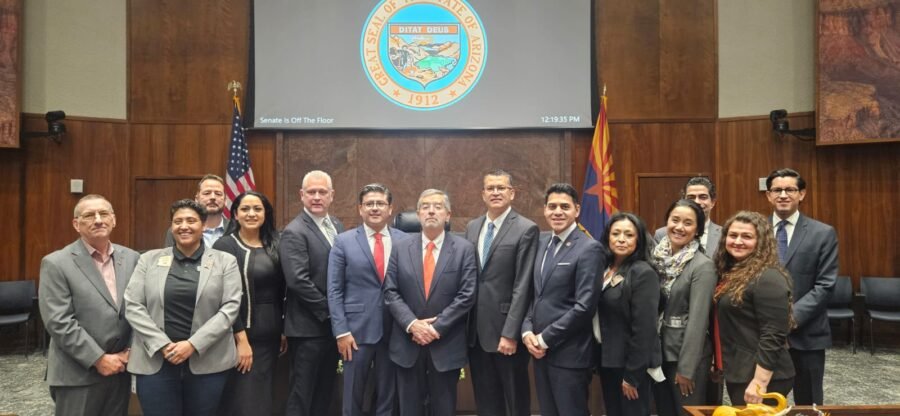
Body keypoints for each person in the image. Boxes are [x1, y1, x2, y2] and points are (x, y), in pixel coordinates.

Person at [124, 199, 242, 416]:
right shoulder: (148, 259)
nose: (184, 226)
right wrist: (162, 345)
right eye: (178, 221)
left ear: (203, 225)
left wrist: (192, 345)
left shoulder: (226, 261)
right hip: (155, 361)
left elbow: (230, 308)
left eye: (191, 220)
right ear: (171, 226)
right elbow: (133, 304)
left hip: (207, 362)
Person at [38, 194, 140, 416]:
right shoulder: (56, 263)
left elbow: (141, 308)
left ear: (114, 220)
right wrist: (98, 359)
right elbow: (59, 322)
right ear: (76, 224)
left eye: (103, 214)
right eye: (89, 215)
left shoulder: (132, 258)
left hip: (121, 369)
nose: (98, 220)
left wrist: (131, 351)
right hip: (78, 374)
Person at [383, 189, 477, 416]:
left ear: (448, 215)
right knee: (409, 410)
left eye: (438, 207)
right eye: (425, 207)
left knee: (444, 409)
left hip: (446, 344)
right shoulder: (400, 248)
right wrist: (412, 324)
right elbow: (390, 291)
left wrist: (435, 328)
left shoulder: (464, 249)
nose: (431, 211)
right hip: (407, 343)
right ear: (418, 214)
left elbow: (467, 294)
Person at [521, 183, 603, 416]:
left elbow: (584, 307)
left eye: (565, 207)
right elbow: (535, 295)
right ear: (545, 210)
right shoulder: (541, 243)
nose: (558, 212)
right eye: (552, 206)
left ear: (577, 210)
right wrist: (527, 331)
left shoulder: (589, 248)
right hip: (539, 353)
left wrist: (544, 339)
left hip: (570, 355)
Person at [327, 184, 407, 416]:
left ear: (390, 209)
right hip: (355, 332)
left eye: (380, 203)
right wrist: (341, 331)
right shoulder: (343, 241)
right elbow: (334, 290)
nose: (374, 208)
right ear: (360, 209)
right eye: (369, 204)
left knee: (388, 396)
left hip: (395, 330)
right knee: (353, 395)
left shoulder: (406, 240)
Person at [464, 169, 538, 416]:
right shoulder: (473, 227)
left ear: (512, 193)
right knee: (486, 402)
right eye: (490, 188)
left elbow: (523, 285)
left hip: (507, 332)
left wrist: (510, 333)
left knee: (515, 401)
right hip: (476, 332)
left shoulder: (526, 228)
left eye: (501, 188)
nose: (495, 192)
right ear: (483, 194)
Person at [765, 168, 837, 405]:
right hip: (763, 335)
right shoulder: (755, 231)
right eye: (777, 190)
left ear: (802, 194)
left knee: (809, 404)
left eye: (790, 189)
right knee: (764, 403)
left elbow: (825, 285)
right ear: (768, 195)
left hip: (807, 335)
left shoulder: (822, 233)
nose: (783, 195)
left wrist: (789, 319)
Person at [213, 191, 286, 416]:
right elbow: (224, 297)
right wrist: (241, 340)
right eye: (245, 209)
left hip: (272, 336)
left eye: (257, 209)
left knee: (265, 398)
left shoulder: (276, 242)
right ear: (235, 214)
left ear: (266, 214)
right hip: (241, 337)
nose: (251, 213)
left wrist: (283, 330)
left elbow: (282, 290)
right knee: (245, 401)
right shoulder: (225, 245)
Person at [280, 170, 345, 415]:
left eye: (322, 192)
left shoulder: (336, 225)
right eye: (311, 192)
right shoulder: (294, 231)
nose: (317, 197)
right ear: (301, 195)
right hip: (308, 329)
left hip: (331, 329)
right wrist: (331, 311)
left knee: (325, 391)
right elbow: (298, 281)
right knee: (302, 394)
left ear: (332, 195)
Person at [714, 211, 795, 405]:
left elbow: (773, 334)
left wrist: (760, 382)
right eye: (733, 235)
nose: (738, 241)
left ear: (761, 242)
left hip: (763, 377)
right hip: (741, 371)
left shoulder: (768, 277)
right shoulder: (736, 272)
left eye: (747, 236)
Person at [651, 199, 717, 416]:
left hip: (684, 358)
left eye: (688, 223)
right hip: (658, 354)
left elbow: (698, 322)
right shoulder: (656, 258)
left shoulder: (703, 266)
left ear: (697, 229)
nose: (679, 227)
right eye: (675, 220)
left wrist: (687, 369)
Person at [594, 212, 660, 416]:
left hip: (630, 366)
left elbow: (645, 330)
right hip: (608, 360)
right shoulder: (605, 268)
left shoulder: (643, 272)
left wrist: (632, 375)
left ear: (639, 239)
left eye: (629, 235)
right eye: (616, 233)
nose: (621, 239)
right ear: (607, 236)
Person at [654, 177, 722, 257]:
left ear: (712, 202)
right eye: (691, 198)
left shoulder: (723, 234)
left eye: (703, 197)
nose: (697, 202)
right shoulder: (661, 234)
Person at [164, 174, 231, 247]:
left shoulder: (236, 229)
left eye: (218, 194)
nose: (213, 197)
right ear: (196, 199)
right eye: (207, 193)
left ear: (225, 201)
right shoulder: (180, 230)